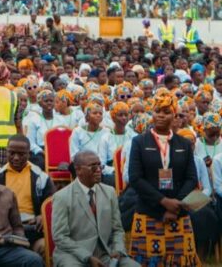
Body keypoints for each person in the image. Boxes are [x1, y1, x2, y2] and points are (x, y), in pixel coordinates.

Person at [128, 88, 198, 266]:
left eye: (166, 112)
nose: (160, 115)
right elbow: (135, 178)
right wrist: (163, 202)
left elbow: (191, 178)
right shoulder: (139, 142)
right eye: (157, 111)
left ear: (174, 115)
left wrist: (175, 205)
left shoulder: (184, 143)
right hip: (149, 212)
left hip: (178, 213)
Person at [51, 150, 137, 267]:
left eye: (99, 165)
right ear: (78, 170)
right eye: (93, 167)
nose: (98, 170)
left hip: (105, 253)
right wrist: (87, 257)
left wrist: (118, 249)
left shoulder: (109, 192)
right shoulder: (62, 197)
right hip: (73, 255)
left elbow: (117, 229)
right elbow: (60, 237)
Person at [0, 135, 54, 255]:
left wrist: (41, 216)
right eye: (11, 153)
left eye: (21, 154)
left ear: (29, 154)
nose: (16, 158)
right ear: (6, 151)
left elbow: (51, 202)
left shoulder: (40, 177)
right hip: (6, 228)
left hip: (33, 228)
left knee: (44, 247)